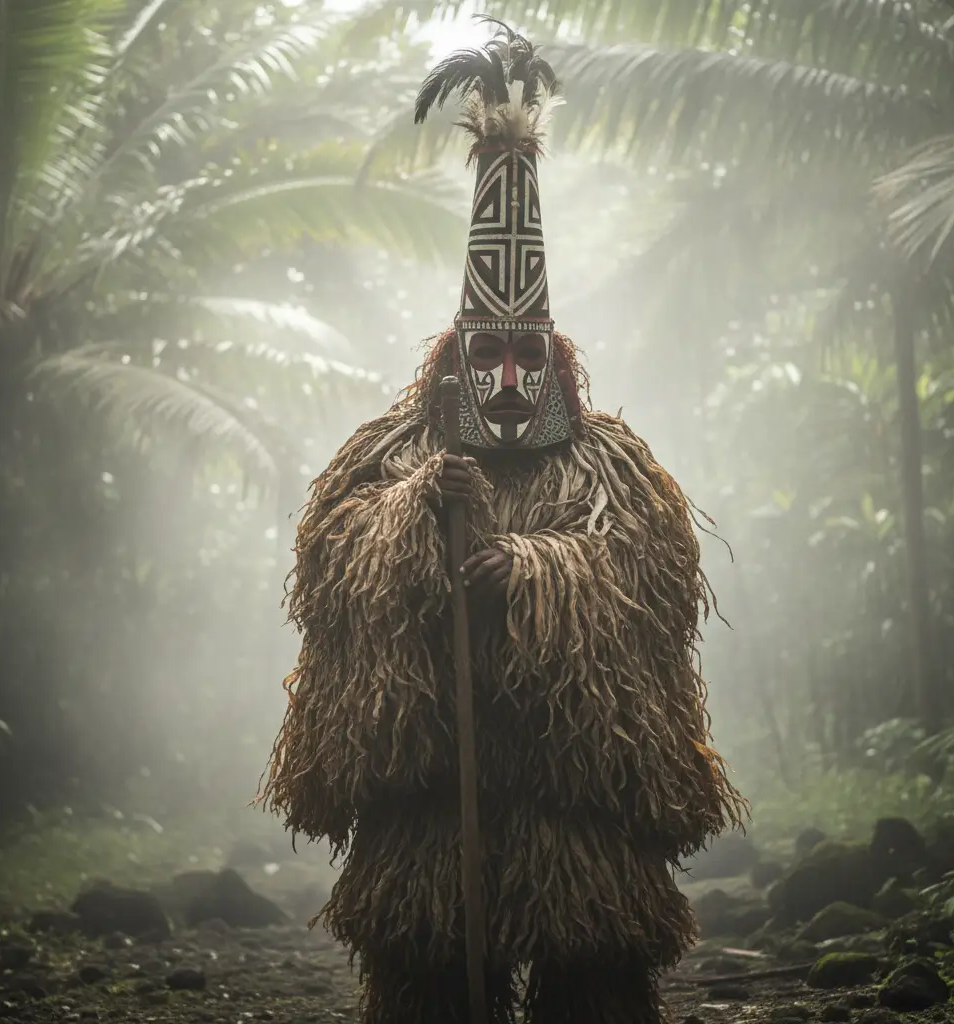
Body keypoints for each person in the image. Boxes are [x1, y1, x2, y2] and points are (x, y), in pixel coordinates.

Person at [261, 22, 745, 1024]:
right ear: (453, 361)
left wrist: (527, 570)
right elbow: (331, 566)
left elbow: (644, 586)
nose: (511, 382)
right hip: (435, 807)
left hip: (574, 811)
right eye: (490, 358)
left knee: (597, 984)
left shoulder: (611, 466)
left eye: (529, 359)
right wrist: (408, 518)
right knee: (425, 982)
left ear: (558, 361)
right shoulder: (392, 455)